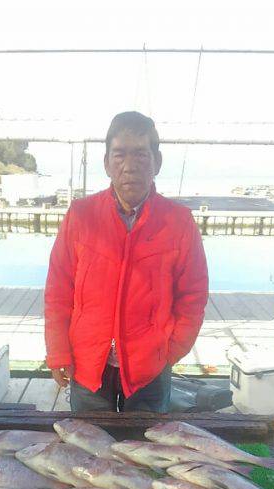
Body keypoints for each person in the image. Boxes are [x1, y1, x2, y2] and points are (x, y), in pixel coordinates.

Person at [44, 111, 209, 412]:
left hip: (150, 370)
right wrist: (58, 352)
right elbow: (58, 291)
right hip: (88, 366)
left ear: (157, 162)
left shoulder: (179, 222)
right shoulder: (80, 216)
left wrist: (171, 351)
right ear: (106, 163)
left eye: (141, 155)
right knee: (88, 451)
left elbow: (193, 296)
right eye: (119, 155)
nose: (129, 166)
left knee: (146, 454)